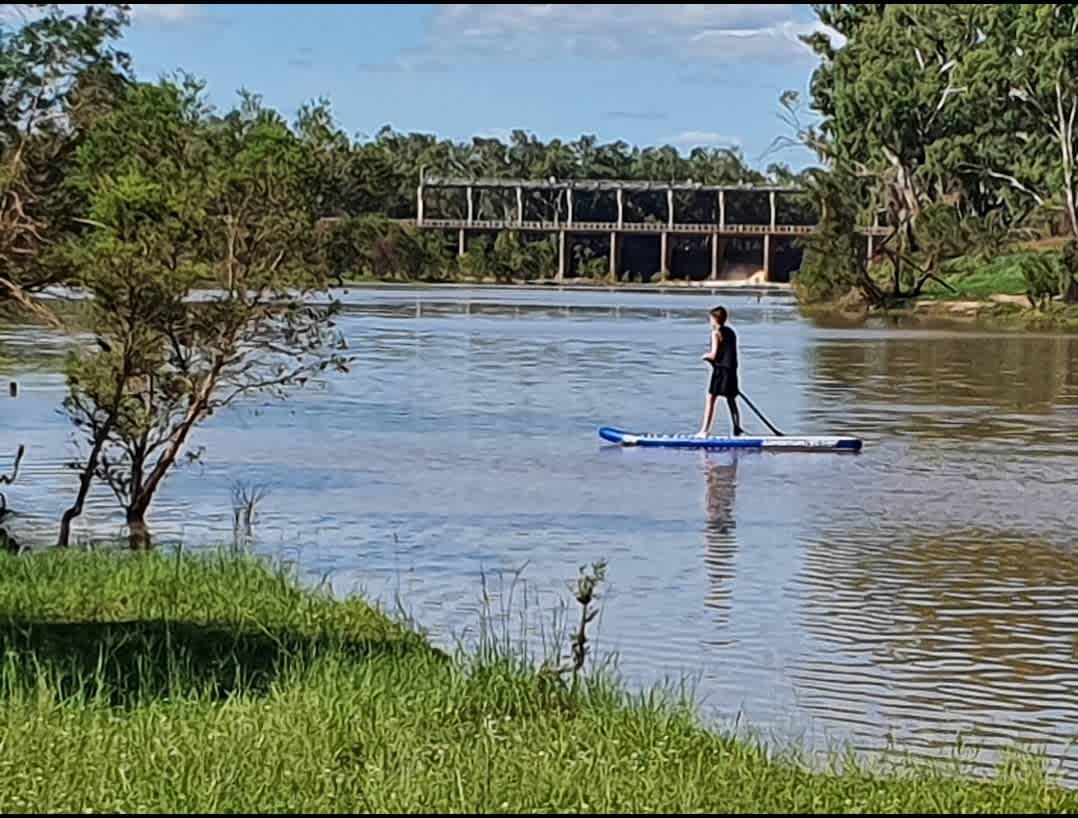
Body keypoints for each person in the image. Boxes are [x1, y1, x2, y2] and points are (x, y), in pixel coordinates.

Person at [696, 305, 743, 438]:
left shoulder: (716, 333)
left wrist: (705, 356)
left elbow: (714, 355)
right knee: (731, 400)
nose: (710, 321)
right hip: (732, 371)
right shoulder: (731, 332)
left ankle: (704, 431)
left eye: (711, 318)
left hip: (720, 372)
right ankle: (737, 429)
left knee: (710, 399)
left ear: (715, 319)